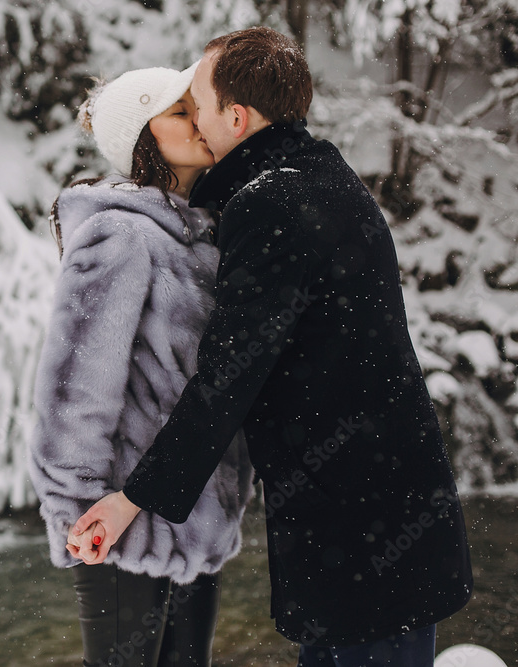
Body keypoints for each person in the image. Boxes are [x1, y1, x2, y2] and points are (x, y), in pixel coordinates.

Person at [69, 27, 473, 666]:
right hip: (381, 514)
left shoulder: (273, 201)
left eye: (194, 100)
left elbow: (230, 375)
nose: (193, 116)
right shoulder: (317, 172)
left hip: (360, 529)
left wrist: (133, 499)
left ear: (234, 116)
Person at [27, 65, 256, 667]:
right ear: (143, 137)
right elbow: (74, 389)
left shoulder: (203, 238)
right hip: (123, 524)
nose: (199, 121)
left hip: (193, 518)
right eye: (179, 113)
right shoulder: (121, 235)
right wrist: (75, 509)